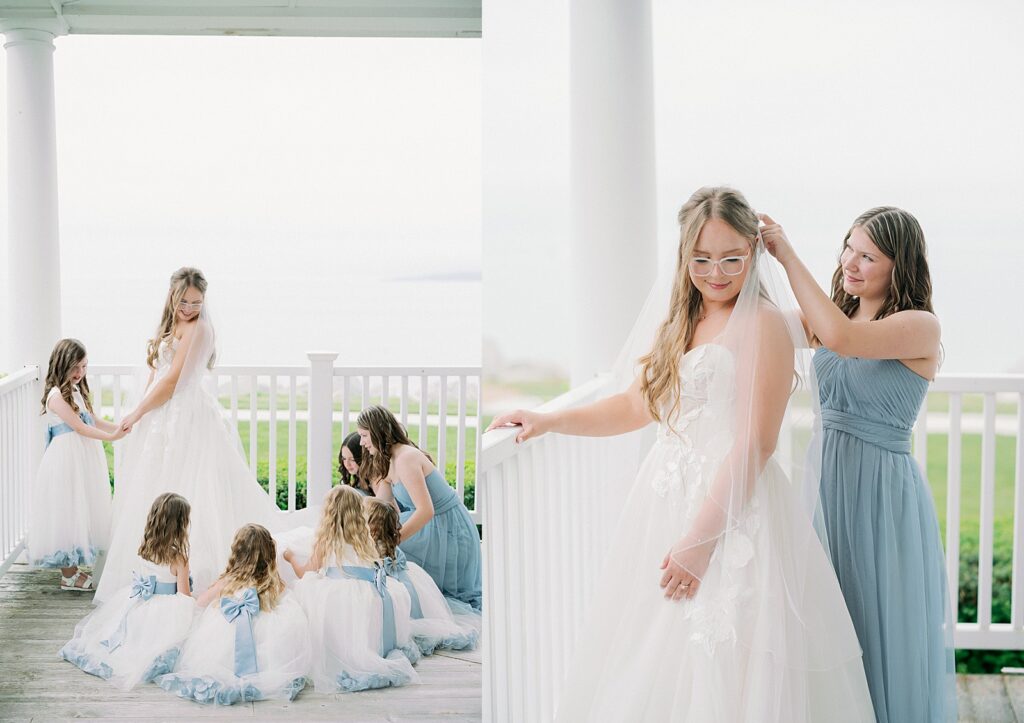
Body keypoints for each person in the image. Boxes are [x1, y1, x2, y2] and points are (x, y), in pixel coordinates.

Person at [488, 187, 874, 721]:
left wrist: (700, 543)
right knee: (653, 660)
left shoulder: (763, 323)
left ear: (754, 253)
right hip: (664, 502)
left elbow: (756, 443)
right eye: (701, 259)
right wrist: (549, 420)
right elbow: (634, 406)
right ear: (684, 255)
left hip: (732, 516)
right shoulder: (679, 324)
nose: (716, 272)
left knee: (723, 667)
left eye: (732, 258)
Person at [760, 208, 956, 722]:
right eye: (848, 247)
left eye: (868, 255)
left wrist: (786, 254)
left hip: (879, 497)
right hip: (826, 485)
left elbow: (842, 340)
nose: (850, 262)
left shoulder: (918, 326)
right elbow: (771, 327)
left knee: (874, 624)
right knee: (828, 622)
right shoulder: (835, 317)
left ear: (901, 265)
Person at [95, 267, 289, 602]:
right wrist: (142, 410)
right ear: (172, 295)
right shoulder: (171, 323)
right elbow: (156, 374)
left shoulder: (200, 328)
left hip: (184, 417)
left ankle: (192, 576)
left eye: (196, 302)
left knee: (192, 488)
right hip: (160, 415)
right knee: (153, 488)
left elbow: (172, 382)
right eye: (183, 301)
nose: (188, 308)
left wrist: (138, 411)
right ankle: (152, 571)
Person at [157, 523, 310, 705]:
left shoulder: (227, 581)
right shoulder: (276, 584)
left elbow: (199, 604)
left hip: (225, 637)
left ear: (237, 552)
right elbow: (288, 612)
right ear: (269, 553)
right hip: (267, 644)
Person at [284, 485, 419, 692]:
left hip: (340, 596)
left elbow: (305, 572)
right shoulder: (364, 539)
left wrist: (290, 557)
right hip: (368, 592)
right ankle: (368, 647)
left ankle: (335, 650)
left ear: (329, 514)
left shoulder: (327, 540)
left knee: (304, 589)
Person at [60, 493, 195, 690]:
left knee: (132, 637)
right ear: (180, 524)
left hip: (140, 603)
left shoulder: (145, 546)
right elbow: (184, 597)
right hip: (164, 611)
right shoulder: (179, 558)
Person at [356, 405, 482, 611]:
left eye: (364, 435)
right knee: (375, 547)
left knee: (394, 553)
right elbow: (380, 506)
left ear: (378, 432)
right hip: (428, 523)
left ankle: (394, 604)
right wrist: (360, 530)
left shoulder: (406, 458)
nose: (361, 442)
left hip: (448, 527)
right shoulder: (387, 460)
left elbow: (426, 510)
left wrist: (392, 541)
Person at [28, 339, 120, 590]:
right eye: (75, 367)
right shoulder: (56, 396)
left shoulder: (76, 390)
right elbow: (80, 427)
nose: (80, 373)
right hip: (65, 458)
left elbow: (93, 420)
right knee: (67, 509)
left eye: (84, 366)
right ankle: (68, 575)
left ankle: (75, 570)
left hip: (81, 457)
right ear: (62, 365)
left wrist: (120, 428)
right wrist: (111, 438)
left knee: (81, 506)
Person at [364, 496, 479, 655]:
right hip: (410, 579)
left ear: (373, 528)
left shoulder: (371, 546)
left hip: (392, 583)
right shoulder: (388, 544)